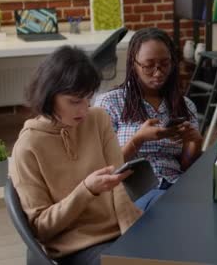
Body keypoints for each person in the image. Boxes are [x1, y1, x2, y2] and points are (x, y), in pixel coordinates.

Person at [10, 46, 141, 265]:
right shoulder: (27, 148)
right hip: (77, 248)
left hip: (121, 233)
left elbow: (120, 184)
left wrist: (134, 237)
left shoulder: (98, 119)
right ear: (49, 95)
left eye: (88, 98)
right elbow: (41, 228)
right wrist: (86, 190)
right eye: (74, 101)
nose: (84, 109)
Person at [95, 27, 202, 210]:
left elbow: (186, 166)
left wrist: (195, 142)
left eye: (165, 64)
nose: (158, 72)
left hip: (176, 186)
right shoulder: (110, 103)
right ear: (133, 64)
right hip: (133, 189)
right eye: (148, 65)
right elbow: (103, 167)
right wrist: (138, 139)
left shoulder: (185, 105)